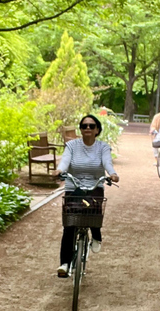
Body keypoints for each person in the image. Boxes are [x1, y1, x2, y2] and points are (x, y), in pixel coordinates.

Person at [52, 114, 119, 278]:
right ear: (80, 129)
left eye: (91, 126)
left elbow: (107, 163)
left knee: (93, 212)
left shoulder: (103, 147)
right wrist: (60, 170)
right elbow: (65, 160)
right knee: (69, 224)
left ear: (97, 130)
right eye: (84, 126)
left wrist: (112, 174)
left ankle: (96, 235)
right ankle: (65, 264)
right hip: (73, 186)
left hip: (94, 185)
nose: (87, 128)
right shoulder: (72, 145)